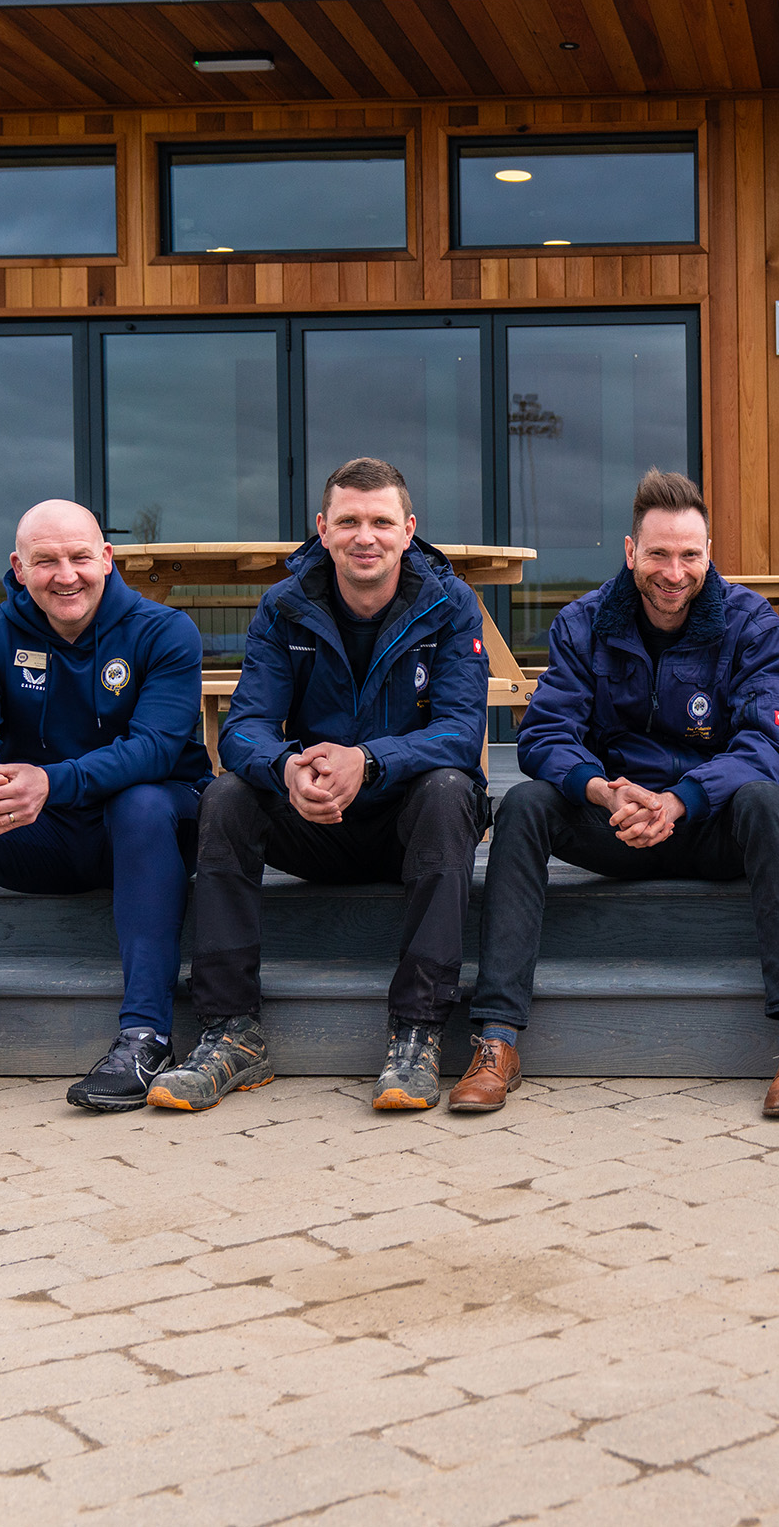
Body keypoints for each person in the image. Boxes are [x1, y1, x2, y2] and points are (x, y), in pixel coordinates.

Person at [464, 470, 779, 1116]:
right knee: (524, 806)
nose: (674, 572)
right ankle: (497, 1039)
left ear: (709, 553)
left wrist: (683, 797)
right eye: (658, 553)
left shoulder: (750, 623)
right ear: (631, 552)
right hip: (615, 820)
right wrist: (599, 789)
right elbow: (543, 734)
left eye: (690, 554)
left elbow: (770, 745)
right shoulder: (584, 621)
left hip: (710, 823)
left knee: (770, 803)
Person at [152, 456, 491, 1113]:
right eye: (349, 521)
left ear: (408, 528)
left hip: (407, 822)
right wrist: (286, 768)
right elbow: (245, 727)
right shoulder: (286, 604)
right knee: (224, 795)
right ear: (323, 528)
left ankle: (418, 1031)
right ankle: (231, 1032)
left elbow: (459, 732)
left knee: (452, 788)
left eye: (381, 521)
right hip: (316, 816)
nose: (366, 535)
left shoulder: (451, 604)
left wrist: (367, 761)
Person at [0, 500, 211, 1116]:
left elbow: (158, 748)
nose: (66, 574)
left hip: (145, 835)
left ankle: (146, 1039)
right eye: (46, 561)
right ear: (19, 568)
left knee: (141, 801)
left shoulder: (165, 631)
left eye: (80, 557)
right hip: (40, 834)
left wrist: (49, 782)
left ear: (107, 559)